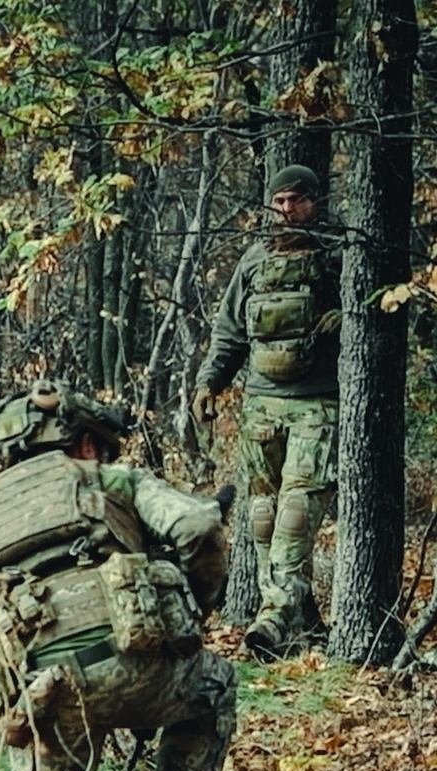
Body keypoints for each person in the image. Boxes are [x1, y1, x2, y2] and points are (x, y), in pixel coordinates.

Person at [0, 382, 236, 771]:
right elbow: (199, 528)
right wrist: (196, 610)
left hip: (44, 702)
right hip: (142, 664)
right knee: (214, 686)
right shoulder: (111, 479)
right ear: (82, 443)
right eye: (99, 444)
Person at [192, 163, 342, 659]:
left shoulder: (339, 253)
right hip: (260, 403)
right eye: (279, 202)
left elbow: (381, 310)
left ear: (315, 201)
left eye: (296, 200)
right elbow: (230, 331)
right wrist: (209, 381)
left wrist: (347, 318)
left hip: (316, 402)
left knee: (297, 512)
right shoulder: (254, 260)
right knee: (261, 514)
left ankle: (274, 617)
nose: (286, 210)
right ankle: (295, 620)